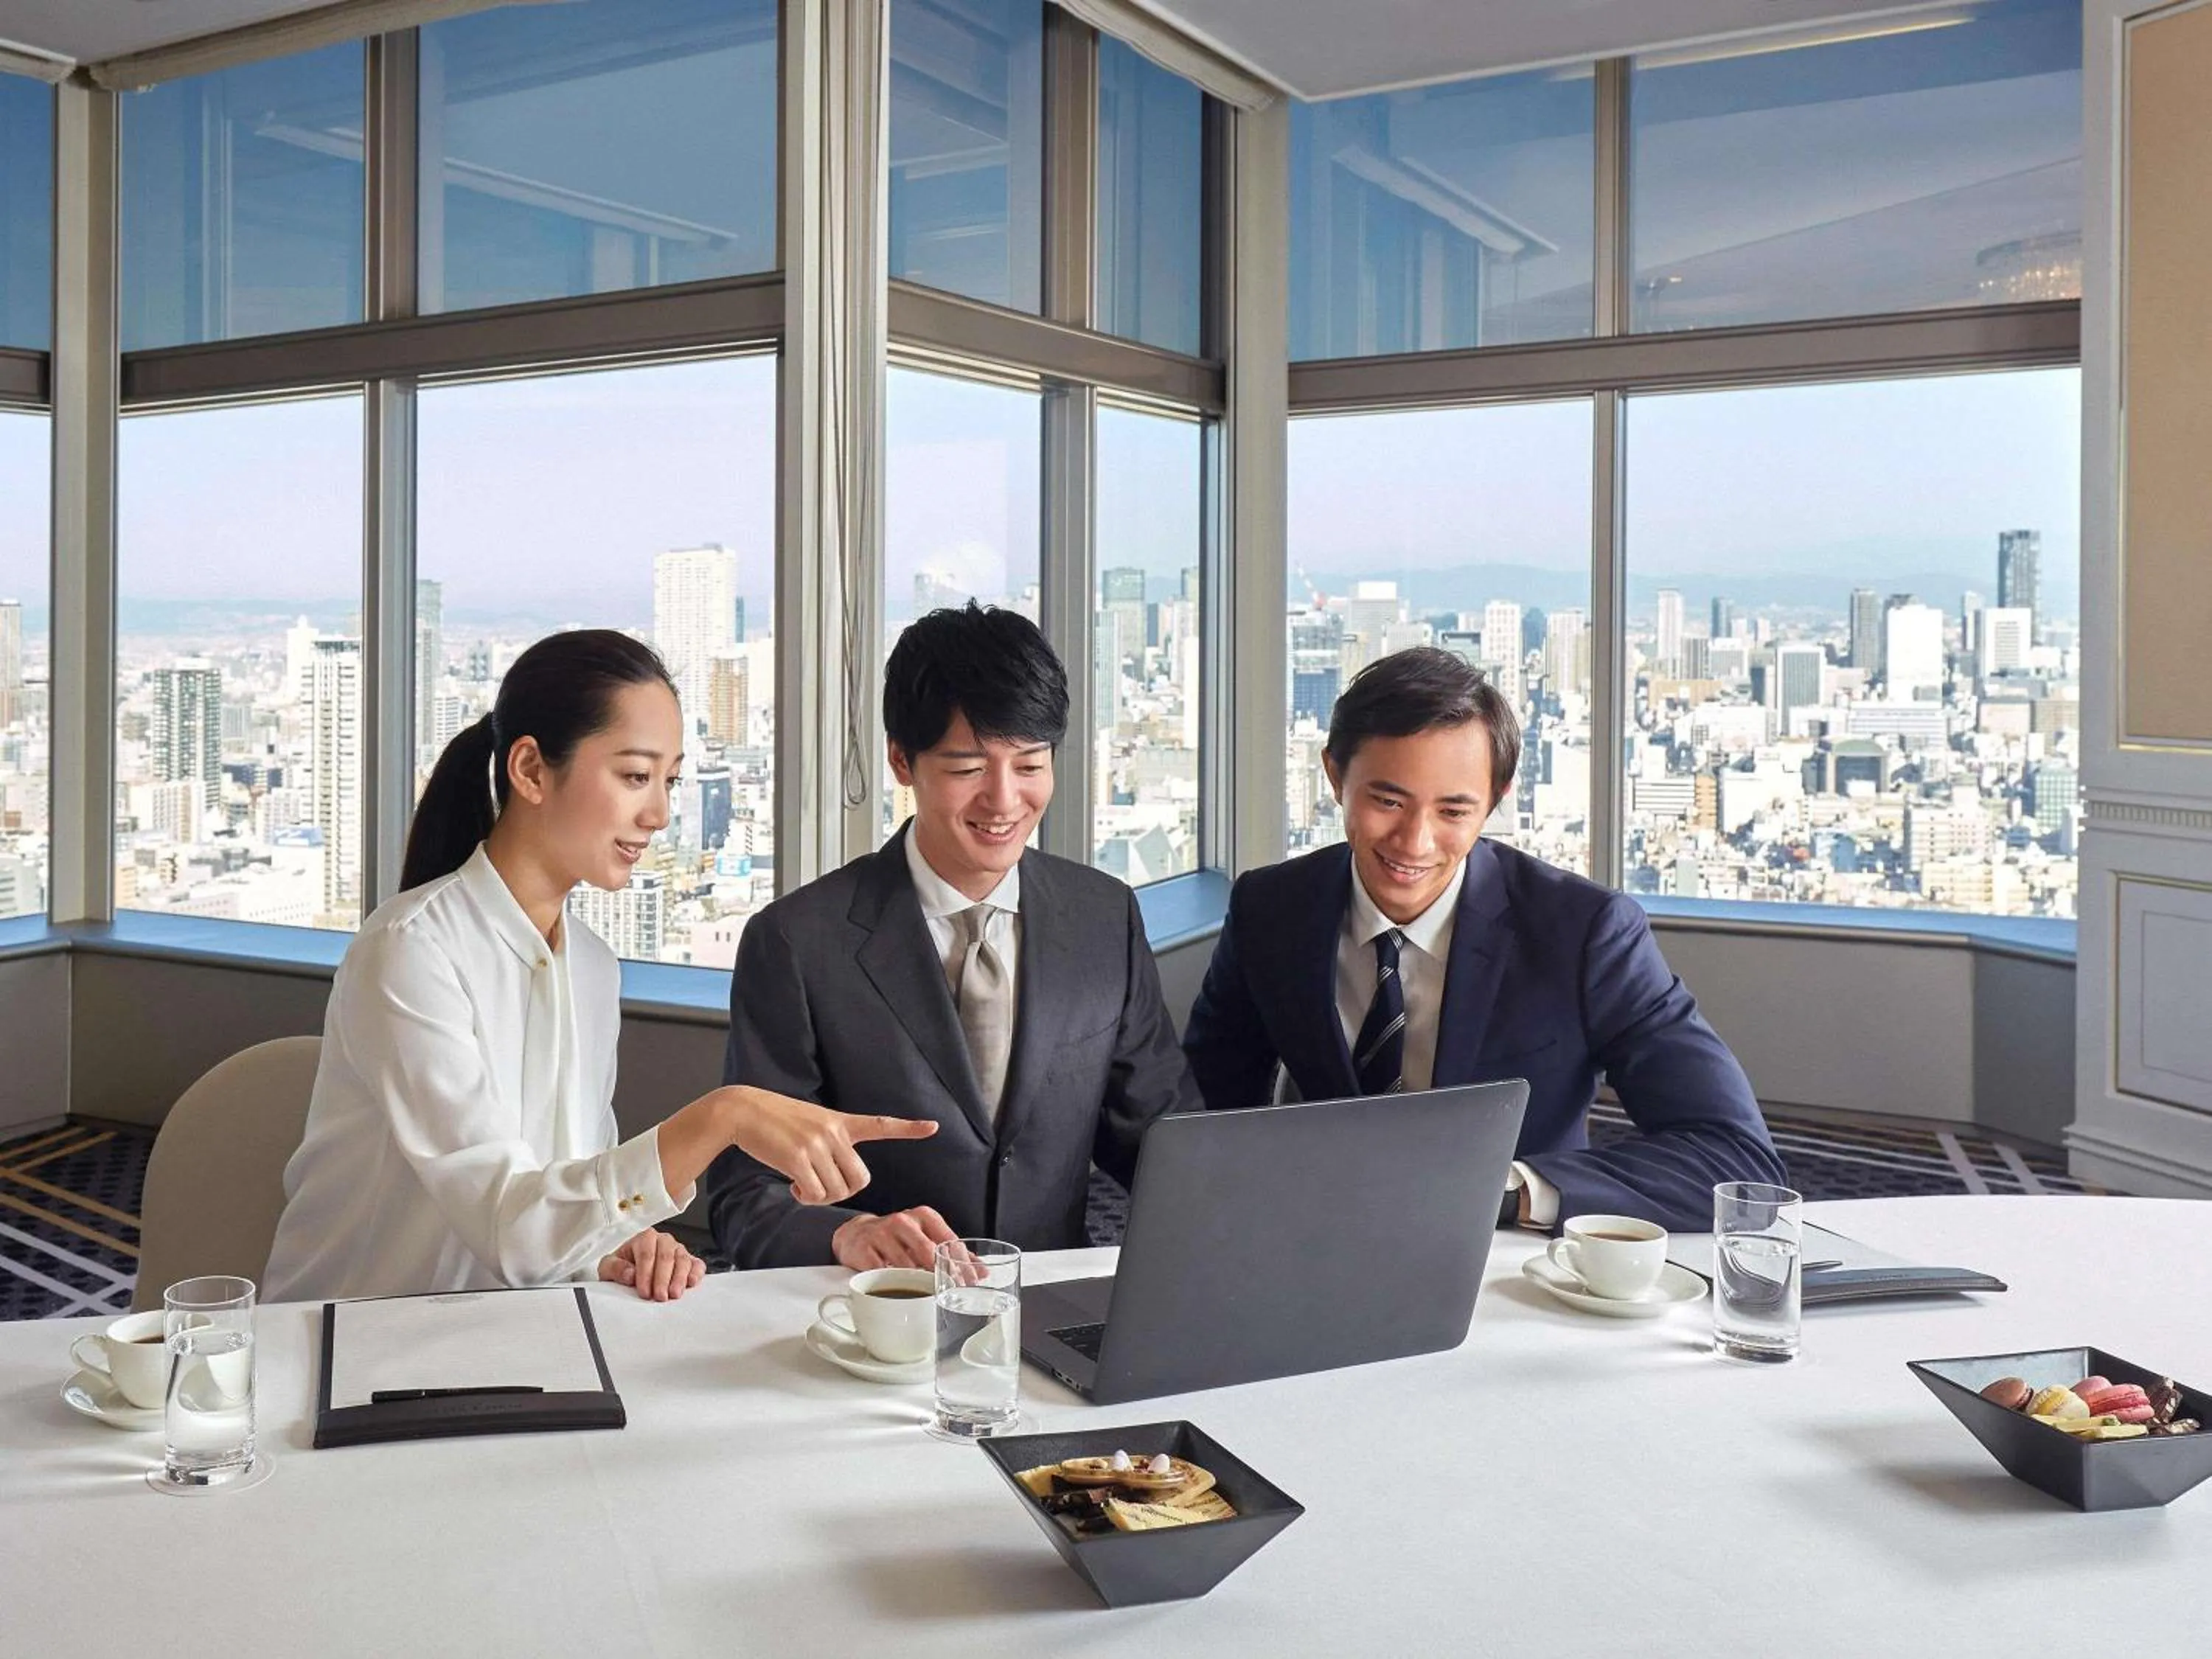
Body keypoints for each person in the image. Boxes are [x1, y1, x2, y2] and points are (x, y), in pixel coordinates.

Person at [262, 630, 934, 1304]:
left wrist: (619, 1239)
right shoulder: (411, 951)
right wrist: (722, 1116)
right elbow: (512, 1231)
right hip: (356, 1354)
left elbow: (561, 1196)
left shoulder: (590, 964)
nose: (660, 813)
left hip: (512, 1339)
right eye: (635, 776)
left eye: (669, 781)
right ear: (529, 770)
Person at [1183, 646, 1784, 1234]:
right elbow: (1198, 1109)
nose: (1414, 842)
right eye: (1387, 800)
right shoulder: (1272, 907)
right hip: (1317, 1240)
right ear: (1336, 776)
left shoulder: (1585, 932)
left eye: (1453, 811)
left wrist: (1501, 1192)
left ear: (1494, 801)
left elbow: (1736, 1162)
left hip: (1513, 1259)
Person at [705, 603, 1198, 1270]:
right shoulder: (797, 943)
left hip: (1051, 1309)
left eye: (1030, 765)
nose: (1003, 801)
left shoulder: (1103, 916)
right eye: (968, 769)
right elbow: (744, 1193)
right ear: (903, 762)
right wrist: (844, 1234)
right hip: (871, 1315)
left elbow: (1164, 1140)